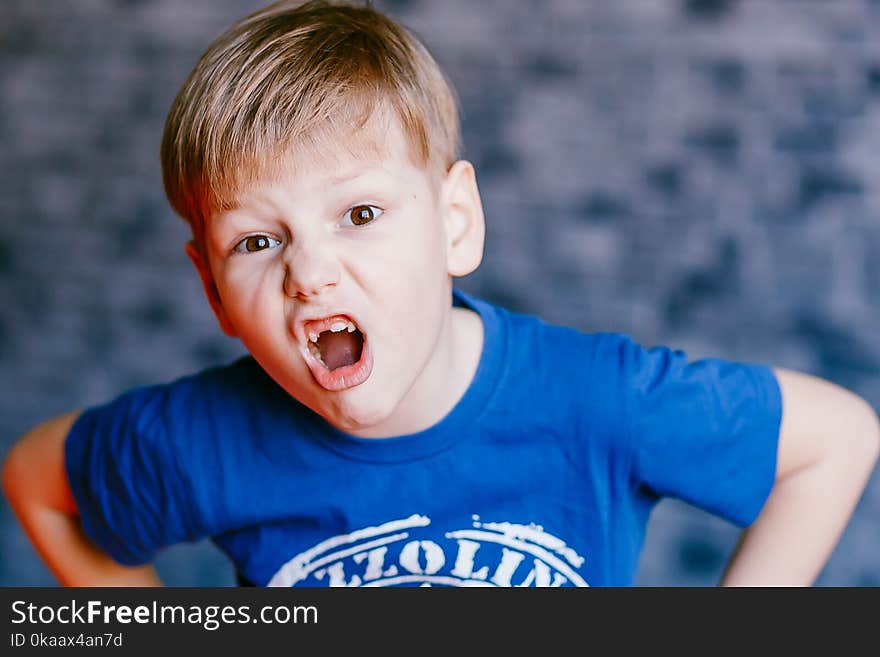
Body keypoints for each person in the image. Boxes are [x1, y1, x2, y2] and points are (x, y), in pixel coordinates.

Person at [3, 0, 879, 588]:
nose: (309, 273)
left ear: (455, 221)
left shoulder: (596, 400)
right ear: (212, 289)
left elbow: (836, 438)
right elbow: (37, 479)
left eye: (359, 212)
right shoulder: (202, 441)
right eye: (258, 240)